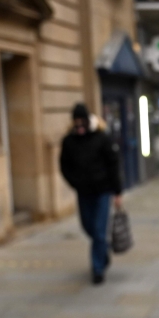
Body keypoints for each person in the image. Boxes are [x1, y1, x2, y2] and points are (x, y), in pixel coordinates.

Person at [59, 103, 123, 284]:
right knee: (88, 227)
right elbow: (64, 166)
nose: (79, 126)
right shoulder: (69, 141)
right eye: (76, 122)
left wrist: (117, 191)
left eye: (82, 122)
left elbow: (113, 164)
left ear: (88, 121)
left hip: (102, 191)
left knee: (99, 231)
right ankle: (102, 252)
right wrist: (74, 182)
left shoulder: (101, 138)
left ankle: (97, 269)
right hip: (83, 192)